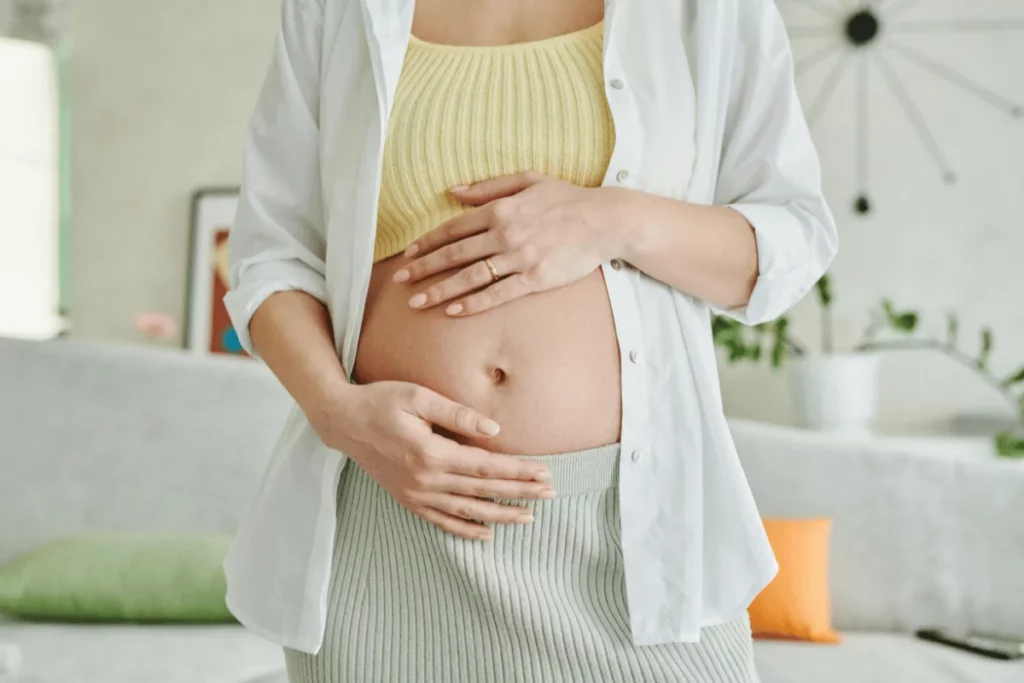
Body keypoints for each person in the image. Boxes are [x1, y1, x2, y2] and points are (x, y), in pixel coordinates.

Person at [222, 0, 838, 680]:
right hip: (393, 516)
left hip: (630, 536)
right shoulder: (334, 9)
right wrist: (337, 411)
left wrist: (615, 220)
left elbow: (792, 239)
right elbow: (271, 256)